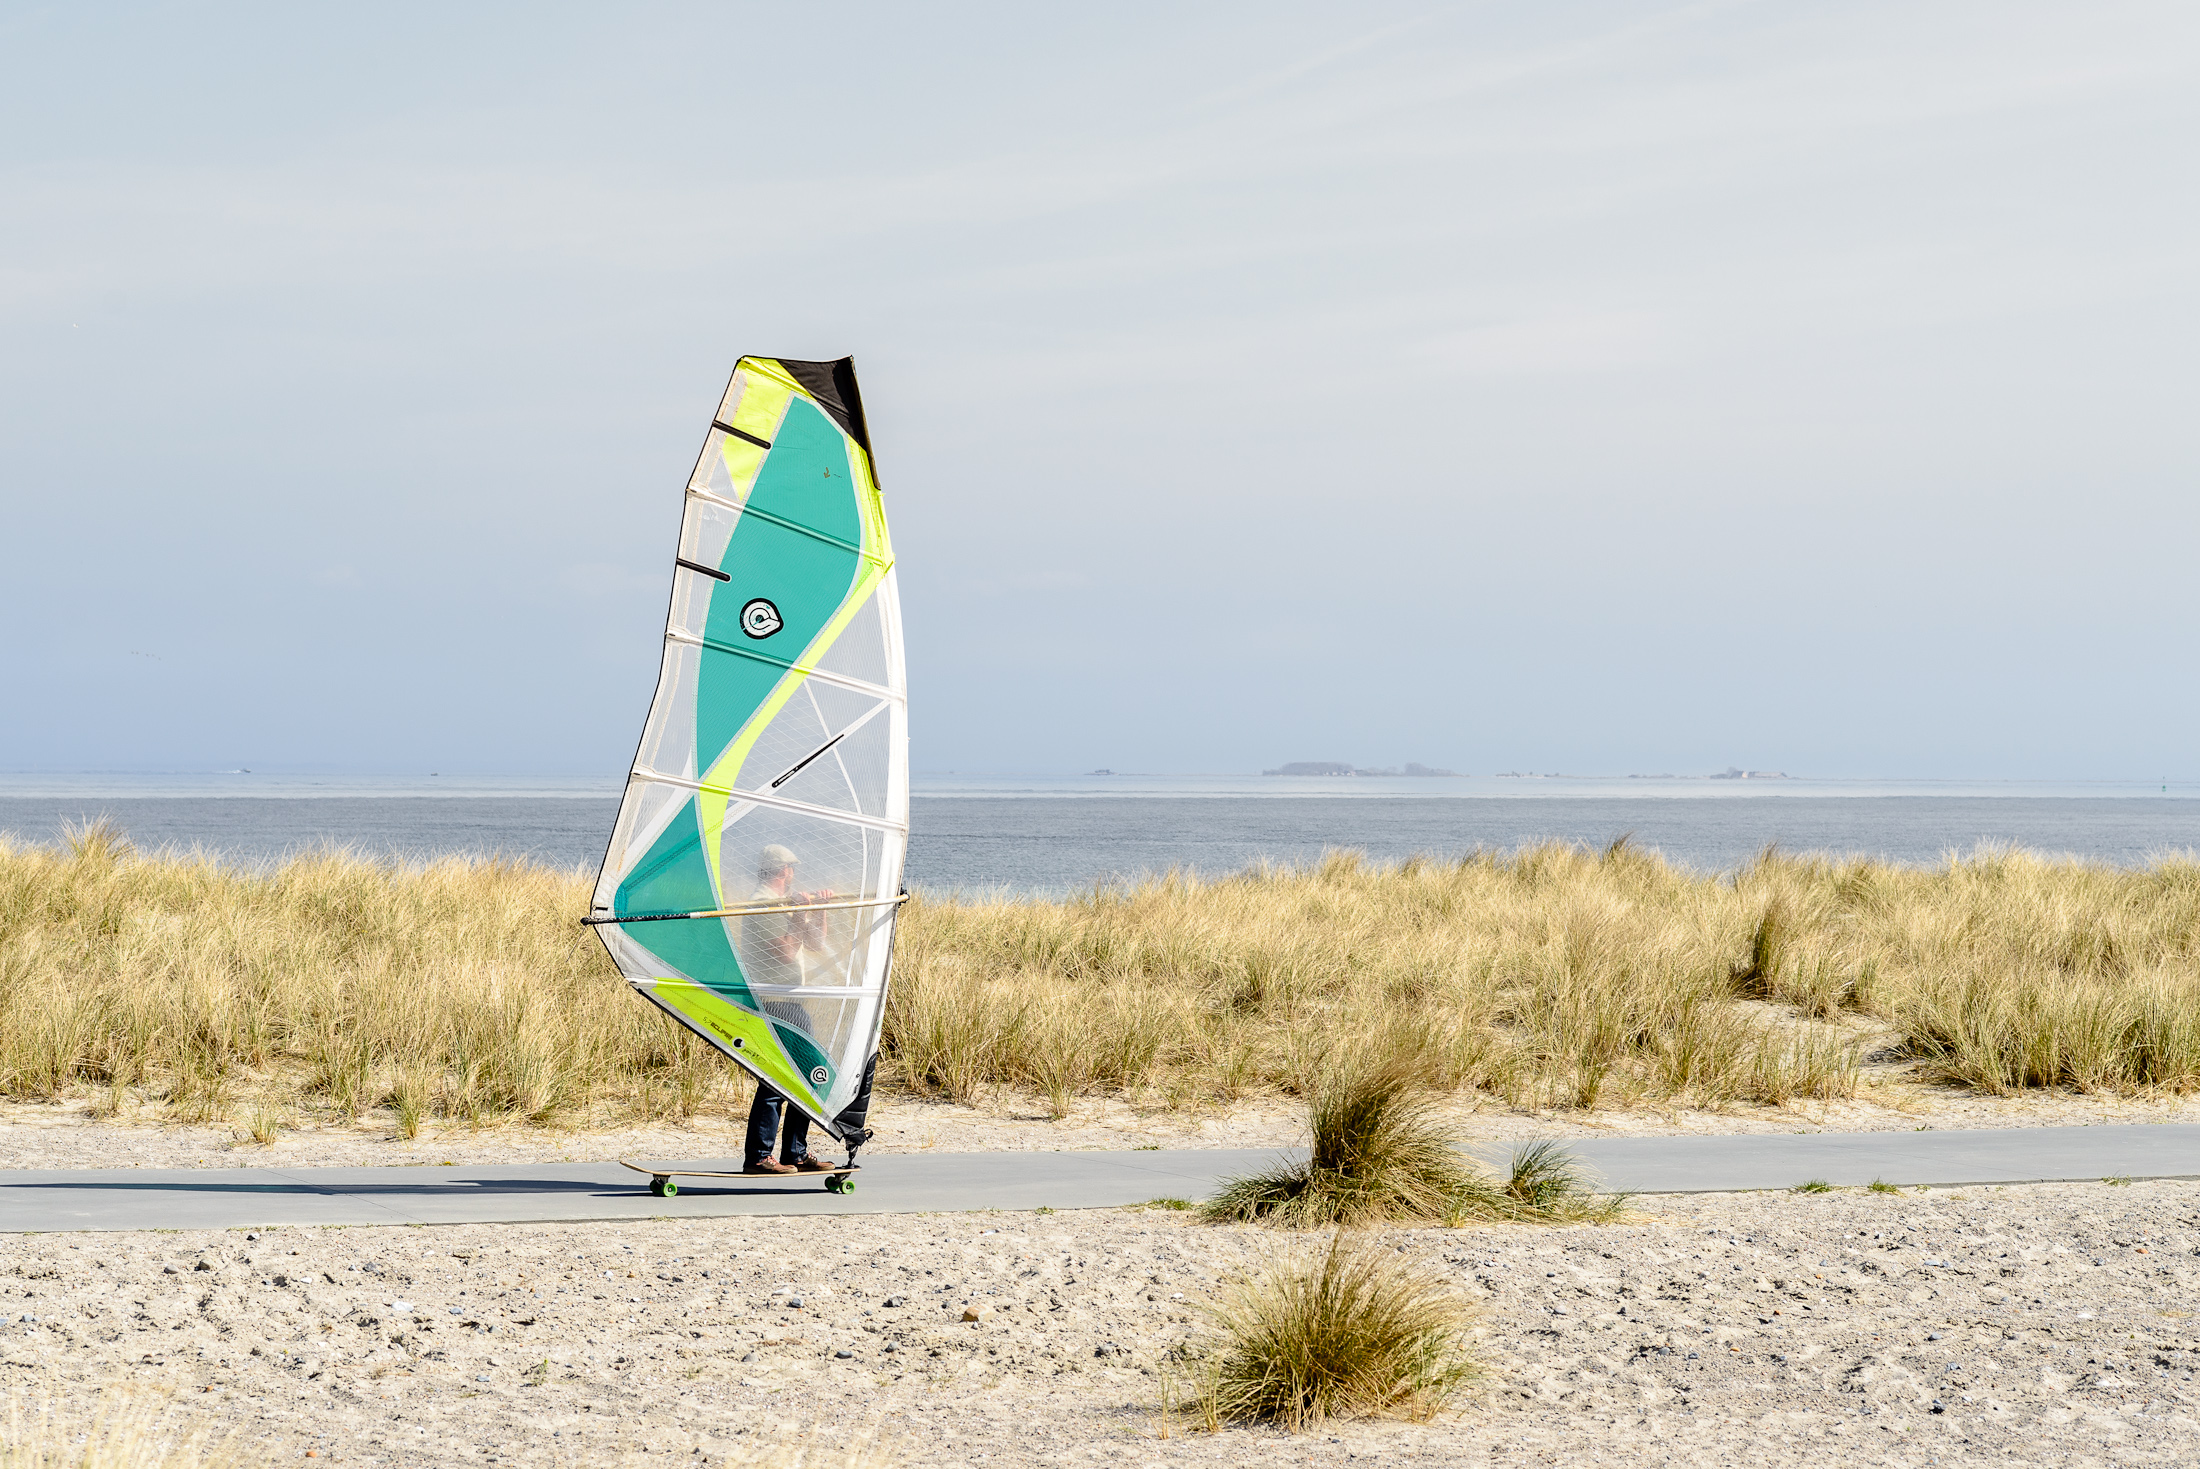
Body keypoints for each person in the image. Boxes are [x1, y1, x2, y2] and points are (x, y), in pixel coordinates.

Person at [741, 843, 838, 1174]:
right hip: (772, 1003)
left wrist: (819, 908)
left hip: (791, 1004)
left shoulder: (784, 903)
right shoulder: (762, 904)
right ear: (780, 871)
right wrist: (798, 913)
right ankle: (759, 1155)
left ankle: (795, 1151)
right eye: (790, 868)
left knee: (812, 1075)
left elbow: (812, 943)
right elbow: (784, 950)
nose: (793, 874)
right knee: (777, 1078)